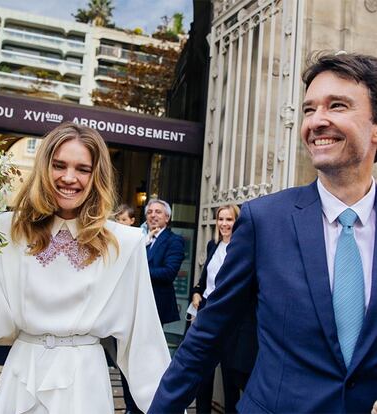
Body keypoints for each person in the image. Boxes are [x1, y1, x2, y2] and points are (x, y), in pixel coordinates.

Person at [148, 52, 377, 414]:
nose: (317, 121)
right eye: (308, 109)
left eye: (337, 105)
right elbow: (208, 335)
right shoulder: (264, 220)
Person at [0, 122, 170, 414]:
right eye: (59, 165)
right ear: (44, 168)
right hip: (21, 378)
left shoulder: (124, 242)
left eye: (82, 169)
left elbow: (143, 338)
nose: (69, 178)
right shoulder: (9, 228)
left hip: (84, 384)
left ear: (96, 175)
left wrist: (165, 407)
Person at [191, 204, 257, 414]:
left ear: (237, 222)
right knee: (203, 373)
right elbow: (205, 280)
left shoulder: (243, 249)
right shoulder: (213, 245)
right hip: (208, 311)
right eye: (221, 219)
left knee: (230, 376)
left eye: (229, 220)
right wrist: (196, 291)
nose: (224, 224)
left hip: (231, 317)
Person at [114, 203, 142, 414]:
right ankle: (129, 405)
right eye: (118, 220)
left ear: (132, 221)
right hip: (120, 307)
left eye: (125, 220)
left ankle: (139, 403)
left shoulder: (137, 240)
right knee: (122, 358)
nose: (121, 223)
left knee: (139, 360)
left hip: (144, 307)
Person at [145, 199, 185, 325]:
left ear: (167, 218)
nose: (153, 215)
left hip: (155, 303)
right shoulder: (141, 239)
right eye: (150, 212)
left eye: (158, 212)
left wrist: (140, 271)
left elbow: (169, 272)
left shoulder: (174, 240)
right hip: (134, 302)